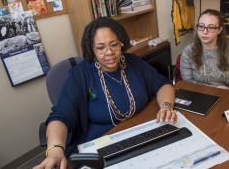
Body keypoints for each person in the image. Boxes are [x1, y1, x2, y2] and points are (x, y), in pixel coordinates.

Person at [34, 17, 177, 169]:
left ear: (121, 42)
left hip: (139, 133)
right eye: (101, 48)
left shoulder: (133, 62)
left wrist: (166, 106)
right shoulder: (81, 75)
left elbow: (163, 85)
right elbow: (61, 116)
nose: (109, 52)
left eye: (114, 44)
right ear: (92, 49)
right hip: (101, 147)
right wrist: (55, 150)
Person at [180, 9, 229, 92]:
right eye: (201, 26)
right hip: (198, 94)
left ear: (219, 30)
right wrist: (214, 89)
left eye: (211, 27)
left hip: (227, 93)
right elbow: (188, 82)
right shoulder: (188, 51)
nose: (205, 32)